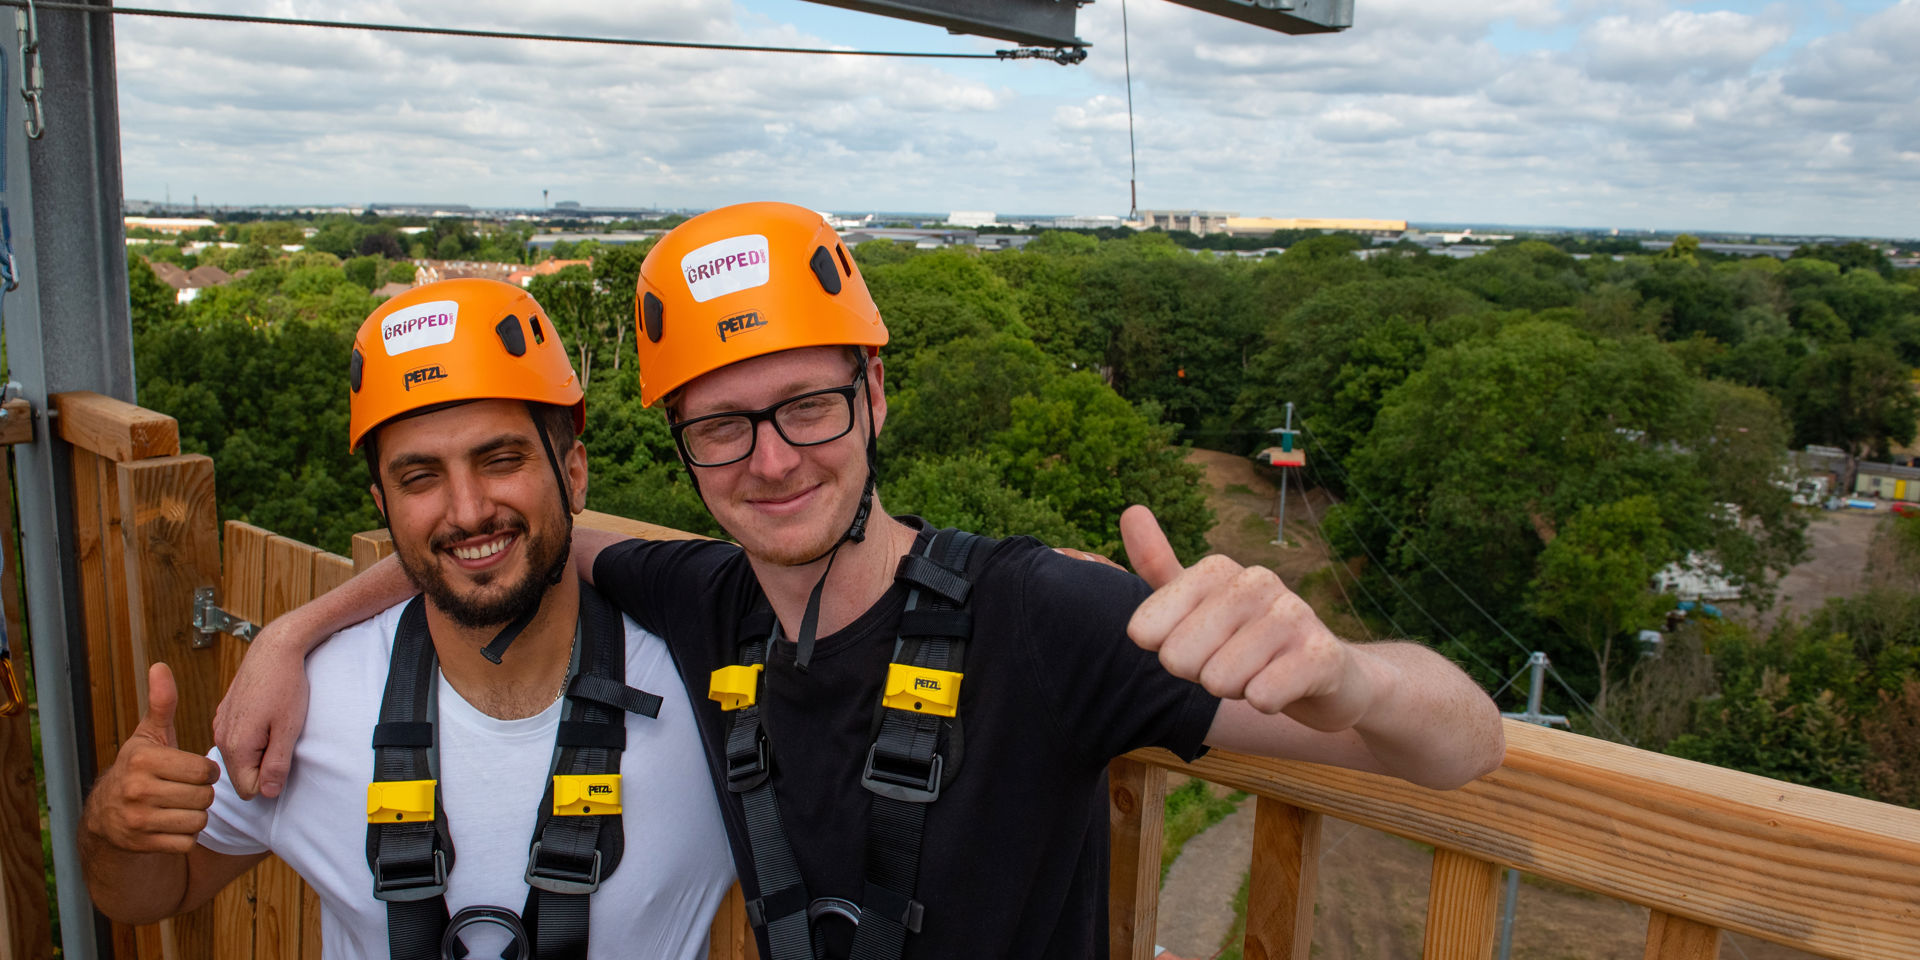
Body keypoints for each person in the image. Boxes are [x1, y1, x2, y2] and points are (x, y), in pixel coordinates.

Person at [216, 204, 1506, 960]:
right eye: (722, 426)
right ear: (681, 447)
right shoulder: (702, 598)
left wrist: (1344, 673)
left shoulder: (1037, 616)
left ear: (876, 394)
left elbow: (1461, 745)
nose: (771, 462)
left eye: (810, 407)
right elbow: (500, 542)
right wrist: (299, 631)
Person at [82, 279, 733, 960]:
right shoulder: (312, 706)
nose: (468, 509)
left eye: (501, 459)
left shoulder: (705, 694)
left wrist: (294, 625)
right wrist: (113, 829)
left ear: (573, 473)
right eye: (420, 478)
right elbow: (153, 893)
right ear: (383, 504)